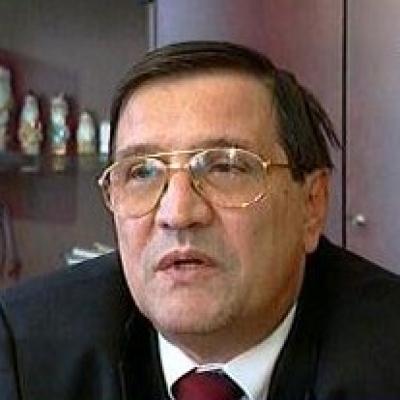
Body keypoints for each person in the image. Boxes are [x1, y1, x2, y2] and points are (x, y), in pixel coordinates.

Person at [1, 41, 400, 400]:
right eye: (142, 172)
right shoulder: (24, 347)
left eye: (226, 167)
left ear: (311, 204)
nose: (177, 214)